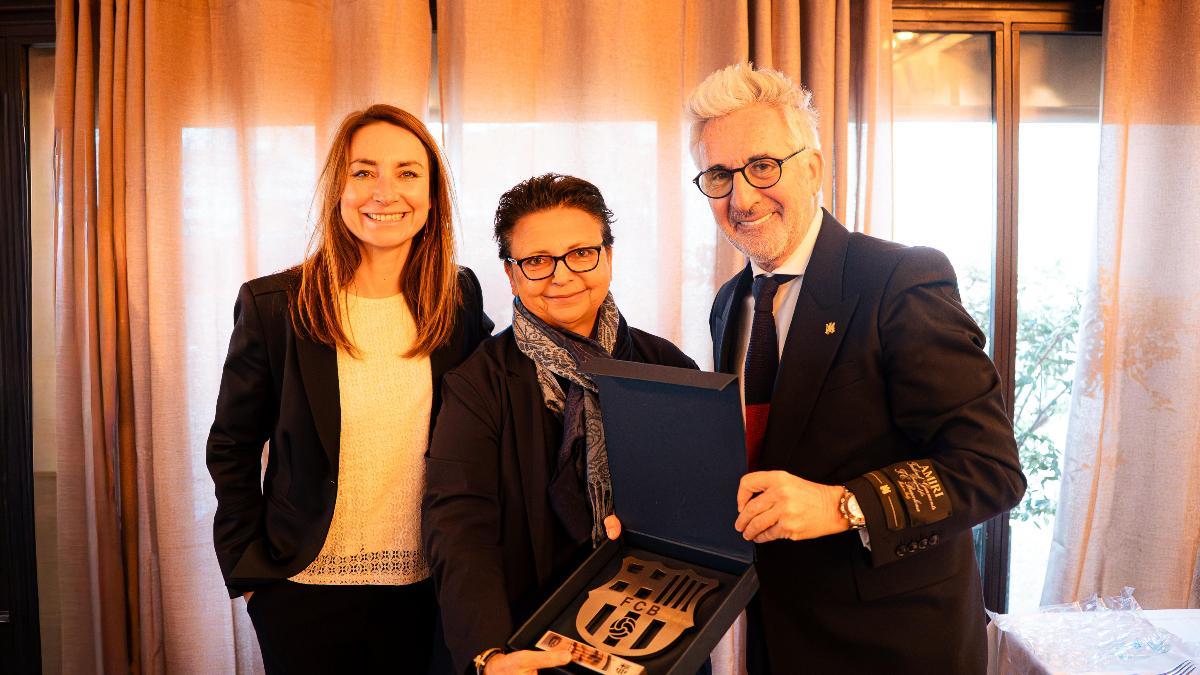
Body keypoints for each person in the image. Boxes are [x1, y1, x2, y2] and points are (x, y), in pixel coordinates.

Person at [686, 63, 1024, 672]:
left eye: (763, 166)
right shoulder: (728, 304)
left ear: (813, 167)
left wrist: (844, 504)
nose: (741, 197)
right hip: (776, 638)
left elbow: (990, 470)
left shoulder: (899, 280)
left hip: (897, 647)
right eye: (719, 175)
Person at [206, 104, 493, 674]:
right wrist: (250, 574)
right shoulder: (276, 306)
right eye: (364, 172)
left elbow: (489, 425)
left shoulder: (457, 299)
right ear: (339, 188)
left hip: (431, 589)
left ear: (432, 195)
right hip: (302, 589)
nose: (385, 192)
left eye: (407, 172)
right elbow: (232, 446)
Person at [422, 173, 699, 675]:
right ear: (511, 275)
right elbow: (459, 525)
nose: (562, 275)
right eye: (537, 261)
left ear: (608, 256)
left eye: (580, 253)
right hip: (527, 642)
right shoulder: (477, 383)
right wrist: (488, 653)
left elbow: (703, 507)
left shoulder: (670, 367)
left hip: (659, 634)